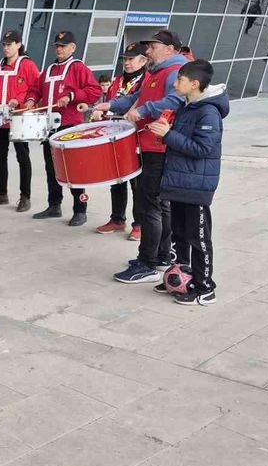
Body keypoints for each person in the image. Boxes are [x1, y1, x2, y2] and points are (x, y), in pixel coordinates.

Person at [99, 30, 189, 283]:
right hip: (150, 145)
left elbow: (175, 101)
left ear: (169, 48)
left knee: (148, 205)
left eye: (152, 46)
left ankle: (147, 263)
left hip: (159, 147)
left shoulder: (176, 71)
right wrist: (111, 105)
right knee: (158, 204)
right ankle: (161, 255)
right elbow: (136, 97)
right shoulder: (157, 72)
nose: (147, 51)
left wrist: (142, 111)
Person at [149, 60, 228, 305]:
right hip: (179, 181)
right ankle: (181, 277)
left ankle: (205, 286)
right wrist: (167, 132)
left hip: (196, 186)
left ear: (194, 83)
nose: (176, 82)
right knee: (180, 235)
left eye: (180, 79)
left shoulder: (208, 112)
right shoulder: (188, 106)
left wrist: (168, 135)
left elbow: (202, 148)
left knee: (199, 238)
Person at [23, 31, 102, 226]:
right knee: (52, 168)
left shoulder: (78, 68)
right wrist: (32, 100)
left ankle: (80, 210)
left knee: (74, 170)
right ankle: (54, 205)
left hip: (70, 125)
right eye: (57, 45)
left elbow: (95, 90)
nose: (59, 49)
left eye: (63, 46)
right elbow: (35, 88)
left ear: (73, 48)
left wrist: (72, 97)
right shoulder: (49, 69)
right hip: (49, 125)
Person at [90, 44, 149, 239]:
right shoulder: (118, 80)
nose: (127, 63)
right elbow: (112, 102)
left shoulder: (147, 80)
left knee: (137, 183)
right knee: (116, 179)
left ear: (144, 60)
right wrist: (101, 111)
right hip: (115, 136)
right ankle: (117, 220)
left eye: (132, 59)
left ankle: (139, 224)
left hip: (136, 136)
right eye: (125, 59)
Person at [0, 30, 39, 212]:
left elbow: (36, 89)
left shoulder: (28, 65)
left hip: (19, 118)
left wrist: (22, 102)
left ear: (18, 45)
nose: (6, 48)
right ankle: (1, 193)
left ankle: (25, 196)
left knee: (22, 157)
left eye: (9, 44)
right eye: (4, 45)